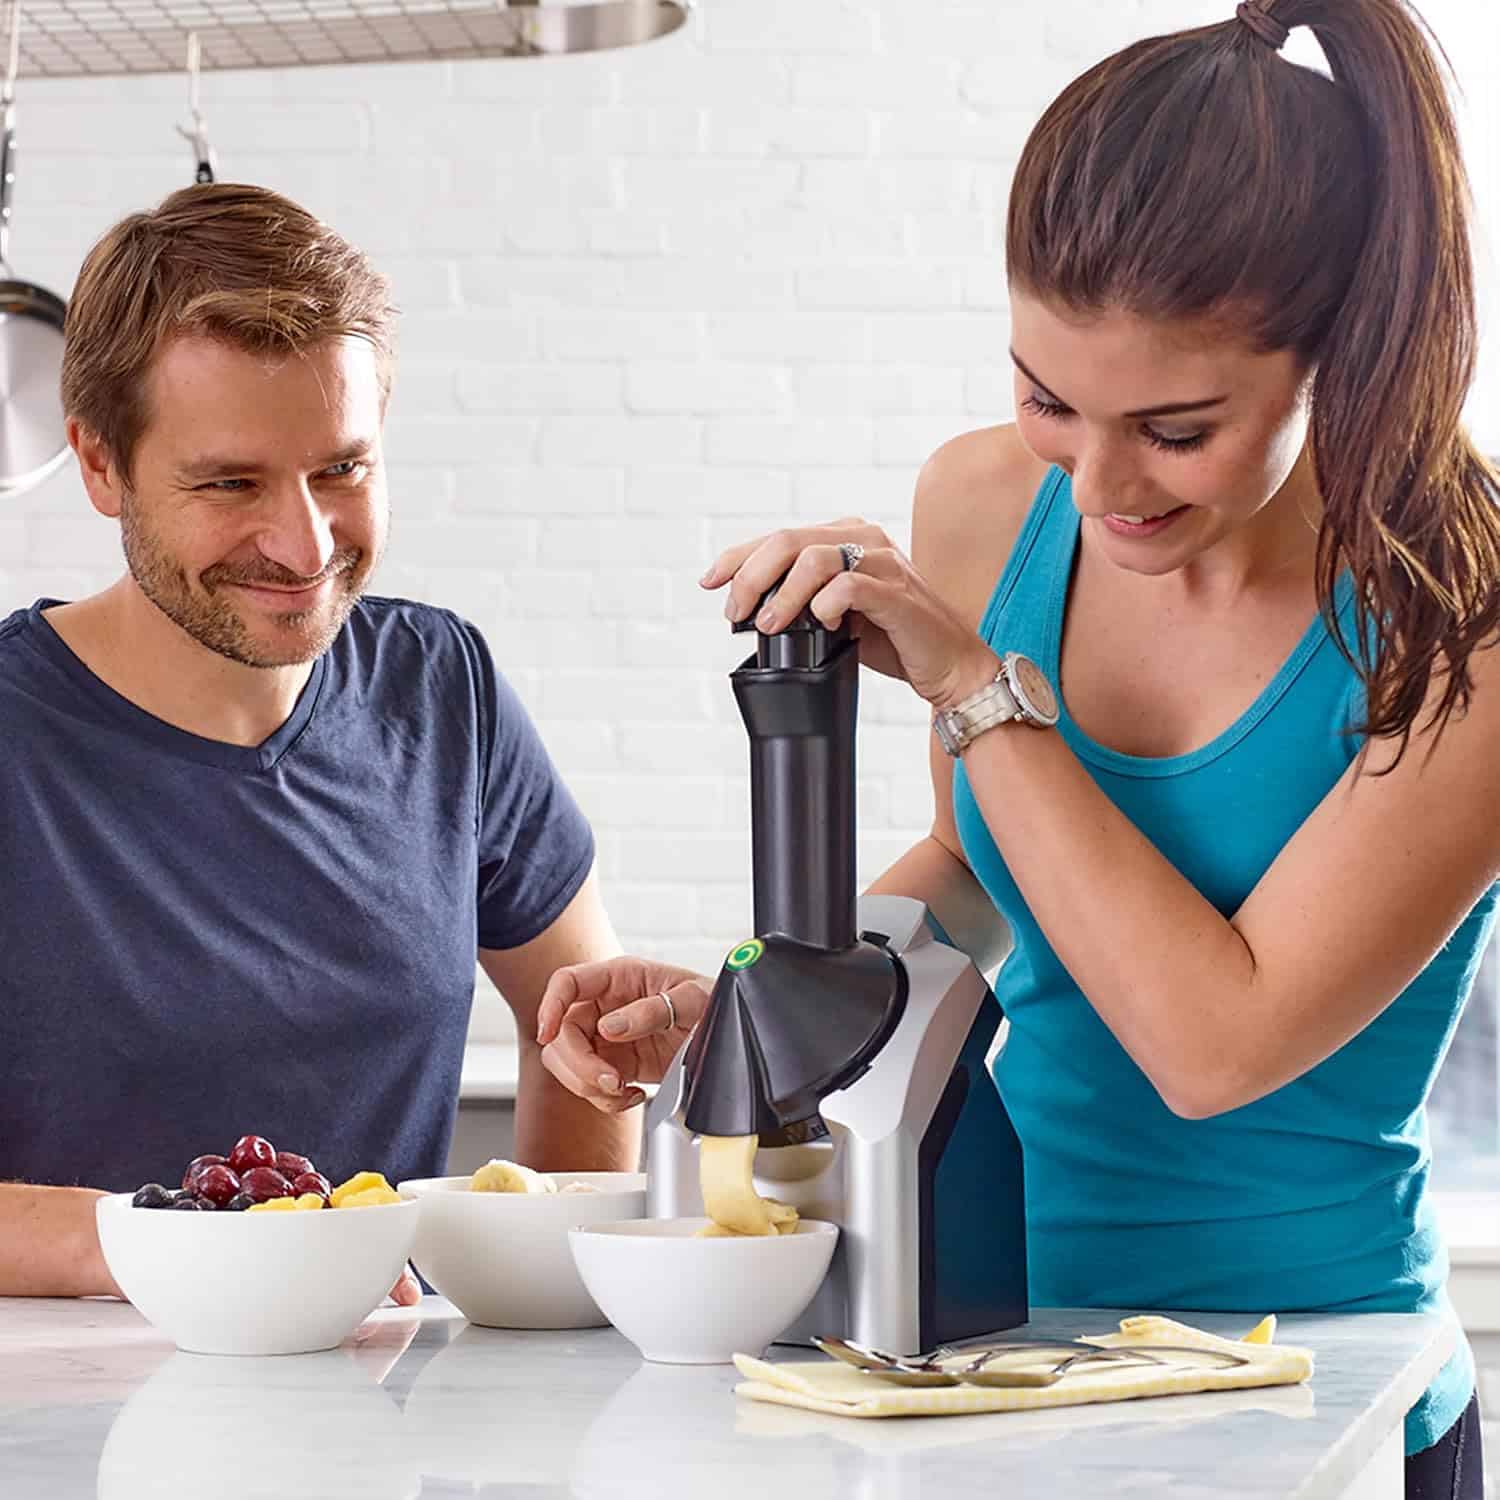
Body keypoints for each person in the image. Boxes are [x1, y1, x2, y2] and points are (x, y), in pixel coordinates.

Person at [535, 2, 1498, 1494]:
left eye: (1176, 428)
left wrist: (982, 689)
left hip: (1317, 1371)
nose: (1102, 484)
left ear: (1346, 351)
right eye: (1049, 398)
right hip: (991, 1342)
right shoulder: (988, 506)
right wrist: (766, 1006)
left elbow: (1213, 1046)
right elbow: (979, 878)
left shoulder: (1464, 620)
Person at [0, 183, 636, 1303]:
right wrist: (197, 1246)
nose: (303, 545)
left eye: (342, 468)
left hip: (379, 1423)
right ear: (100, 466)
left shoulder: (444, 687)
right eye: (230, 482)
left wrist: (530, 1312)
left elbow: (584, 1029)